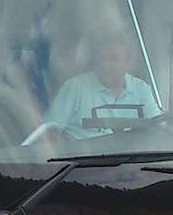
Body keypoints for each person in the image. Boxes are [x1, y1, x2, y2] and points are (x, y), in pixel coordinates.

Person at [28, 28, 161, 142]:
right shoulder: (74, 88)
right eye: (102, 58)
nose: (106, 64)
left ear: (128, 61)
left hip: (132, 165)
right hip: (83, 166)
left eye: (113, 58)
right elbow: (49, 132)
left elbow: (159, 129)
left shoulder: (142, 89)